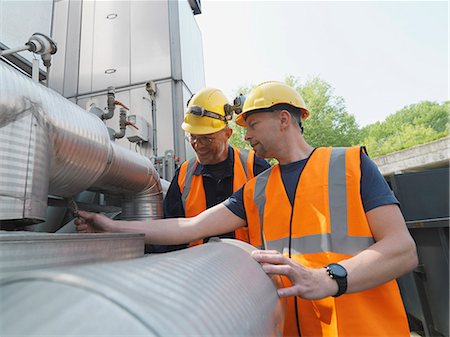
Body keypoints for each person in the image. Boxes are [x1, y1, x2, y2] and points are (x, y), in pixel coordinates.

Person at [76, 81, 418, 337]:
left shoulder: (351, 164)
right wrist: (112, 226)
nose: (246, 137)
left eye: (252, 126)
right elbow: (189, 227)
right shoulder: (257, 189)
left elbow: (402, 250)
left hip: (363, 328)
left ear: (284, 119)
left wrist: (328, 278)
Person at [152, 87, 270, 252]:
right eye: (193, 136)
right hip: (199, 272)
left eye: (207, 139)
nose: (198, 145)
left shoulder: (255, 168)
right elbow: (169, 239)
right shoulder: (183, 176)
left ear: (227, 134)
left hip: (251, 270)